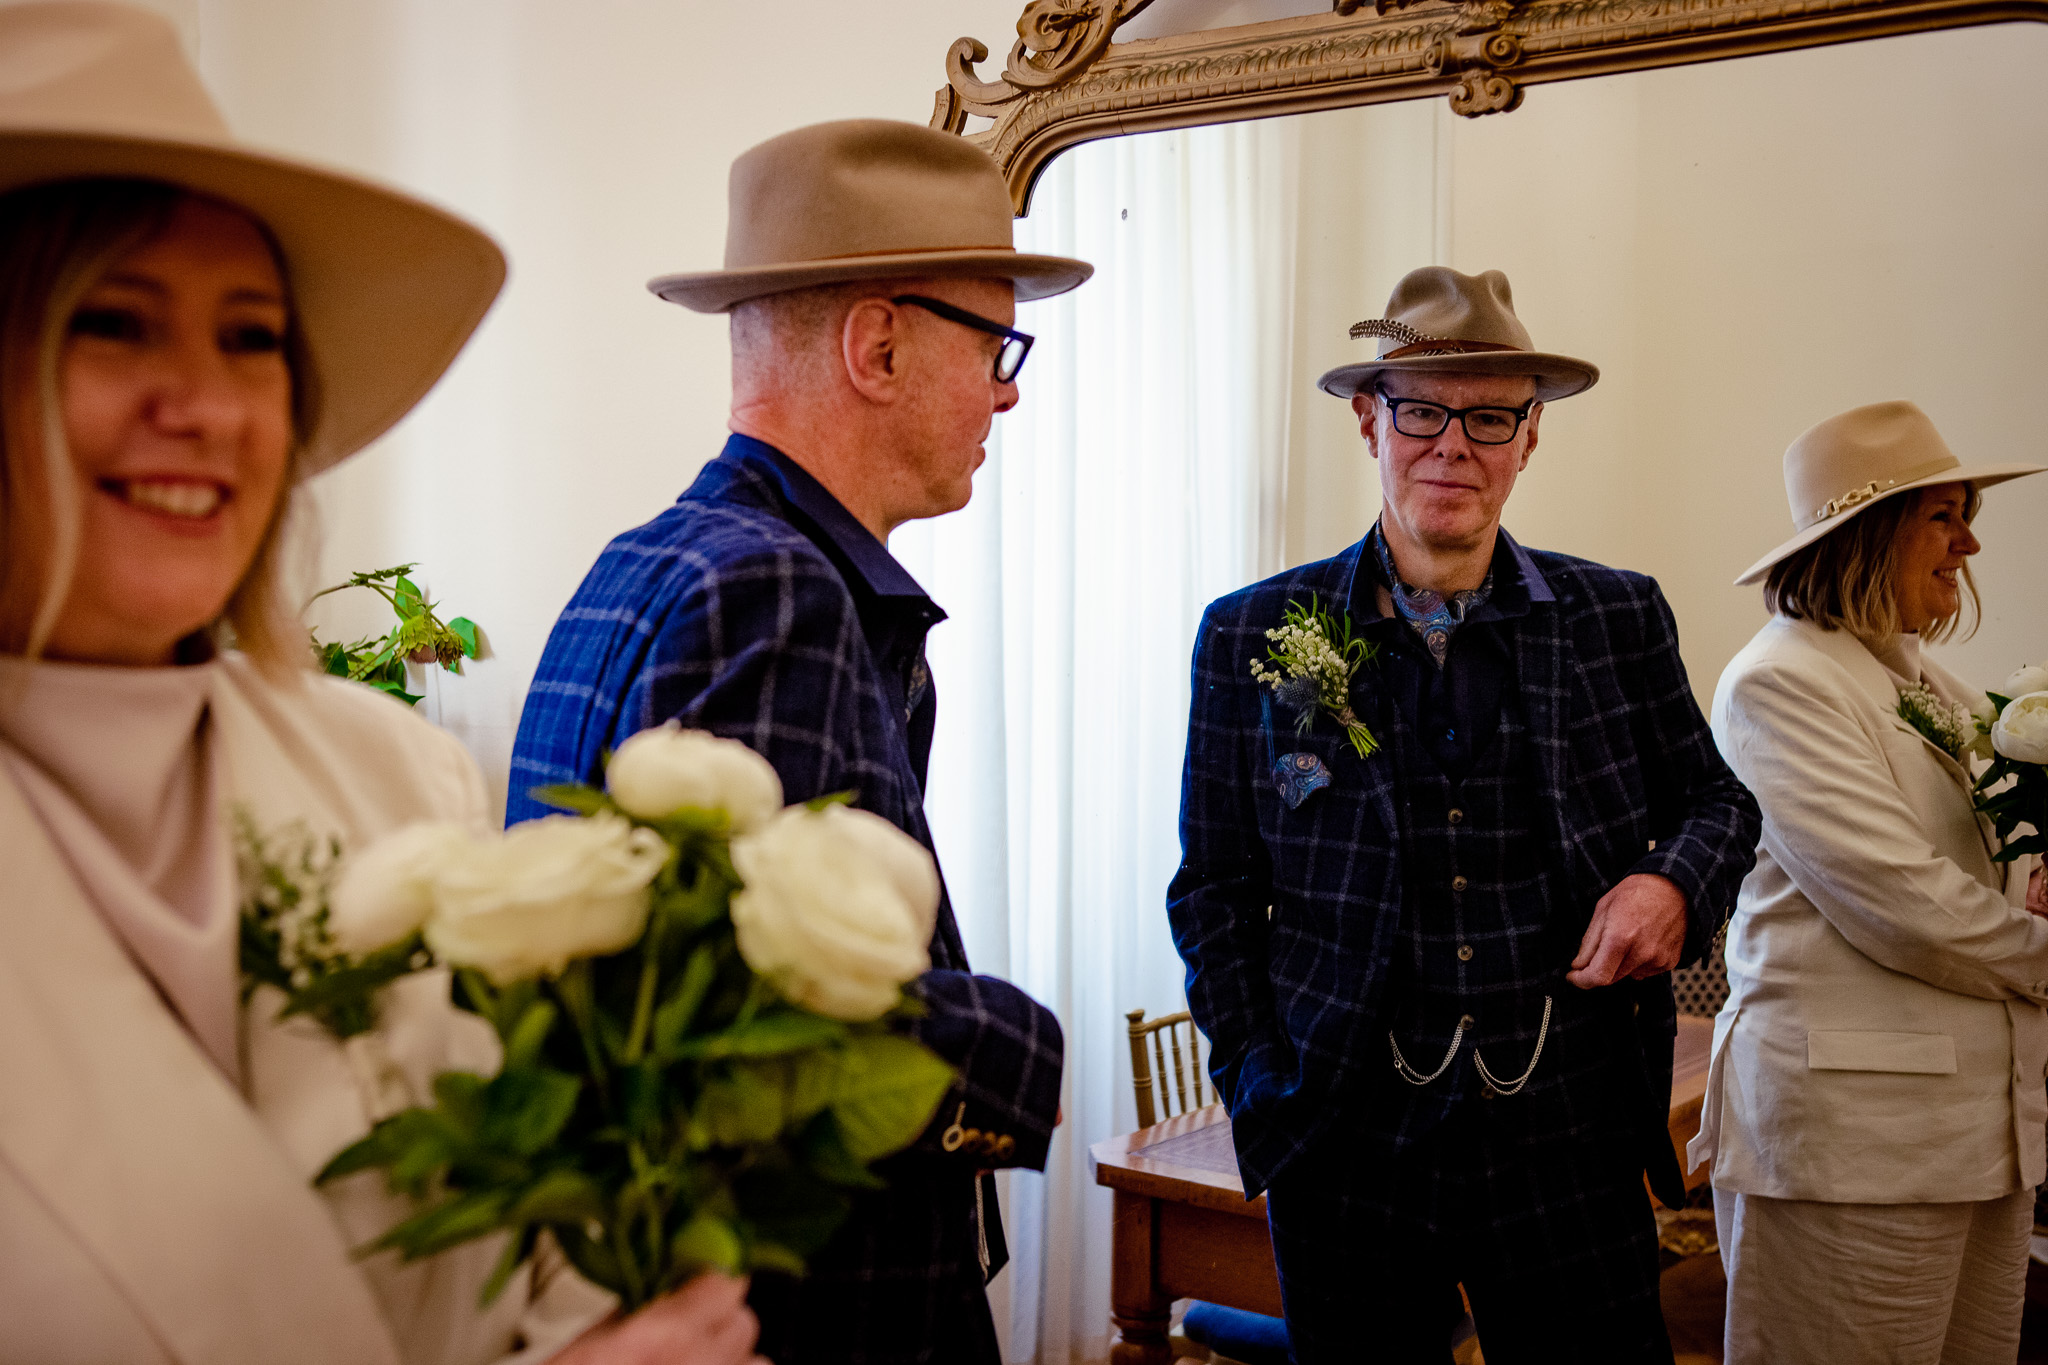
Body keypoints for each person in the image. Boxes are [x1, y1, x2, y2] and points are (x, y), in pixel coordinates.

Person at [0, 6, 762, 1363]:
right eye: (113, 323)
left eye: (252, 340)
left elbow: (548, 1230)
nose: (215, 408)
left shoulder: (391, 767)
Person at [507, 120, 1088, 1365]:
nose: (1008, 387)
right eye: (994, 343)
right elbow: (762, 1023)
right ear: (876, 344)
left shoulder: (648, 559)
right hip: (814, 1304)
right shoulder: (777, 591)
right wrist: (1023, 1054)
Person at [1167, 265, 1762, 1363]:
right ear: (1367, 421)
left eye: (1487, 417)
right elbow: (1213, 888)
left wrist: (1669, 880)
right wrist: (1258, 1081)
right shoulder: (1254, 631)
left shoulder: (1614, 615)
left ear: (1527, 436)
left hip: (1567, 1137)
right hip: (1341, 1140)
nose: (1452, 445)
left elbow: (1718, 800)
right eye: (1421, 411)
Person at [1693, 400, 2048, 1364]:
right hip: (1857, 1148)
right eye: (1943, 515)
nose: (1969, 542)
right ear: (1866, 533)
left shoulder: (1933, 684)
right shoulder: (1782, 682)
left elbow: (2006, 862)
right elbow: (1910, 908)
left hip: (1984, 1135)